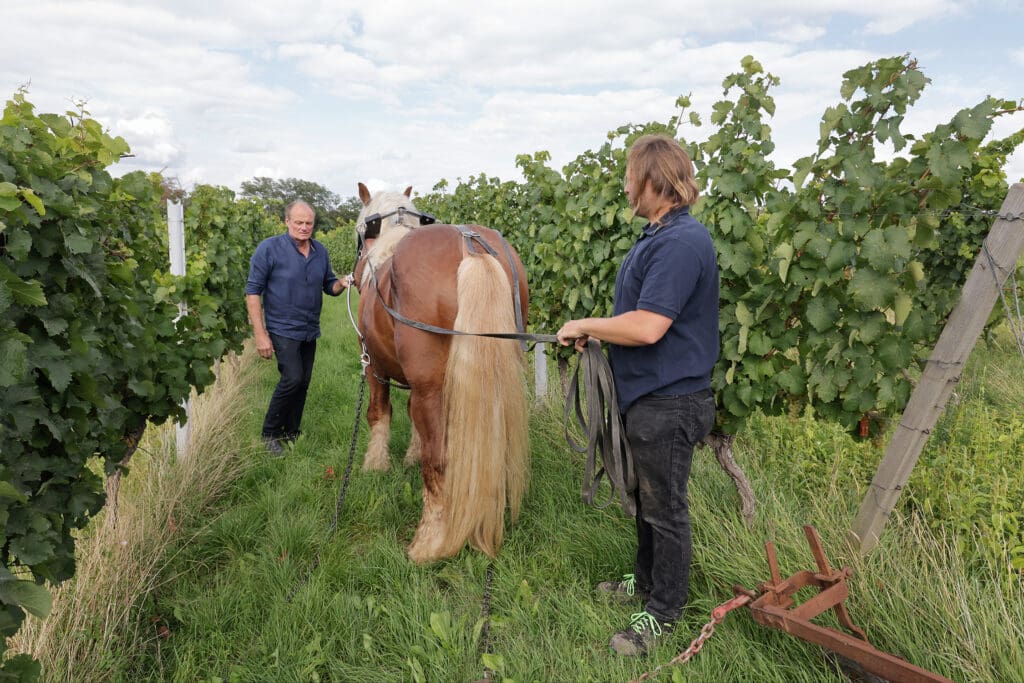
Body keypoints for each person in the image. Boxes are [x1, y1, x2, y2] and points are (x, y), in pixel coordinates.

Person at [556, 134, 720, 656]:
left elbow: (649, 327)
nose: (626, 185)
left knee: (666, 508)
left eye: (631, 176)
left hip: (671, 402)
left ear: (655, 180)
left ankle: (664, 614)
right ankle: (647, 585)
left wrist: (585, 322)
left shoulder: (679, 243)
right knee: (650, 501)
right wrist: (600, 331)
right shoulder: (658, 236)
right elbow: (637, 319)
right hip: (649, 398)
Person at [246, 200, 349, 455]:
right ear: (287, 222)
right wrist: (261, 334)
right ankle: (270, 434)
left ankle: (291, 431)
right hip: (282, 328)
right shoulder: (269, 249)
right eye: (299, 222)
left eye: (309, 223)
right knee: (292, 378)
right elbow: (252, 292)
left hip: (309, 328)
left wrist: (343, 283)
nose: (304, 227)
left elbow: (329, 286)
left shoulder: (320, 251)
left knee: (303, 382)